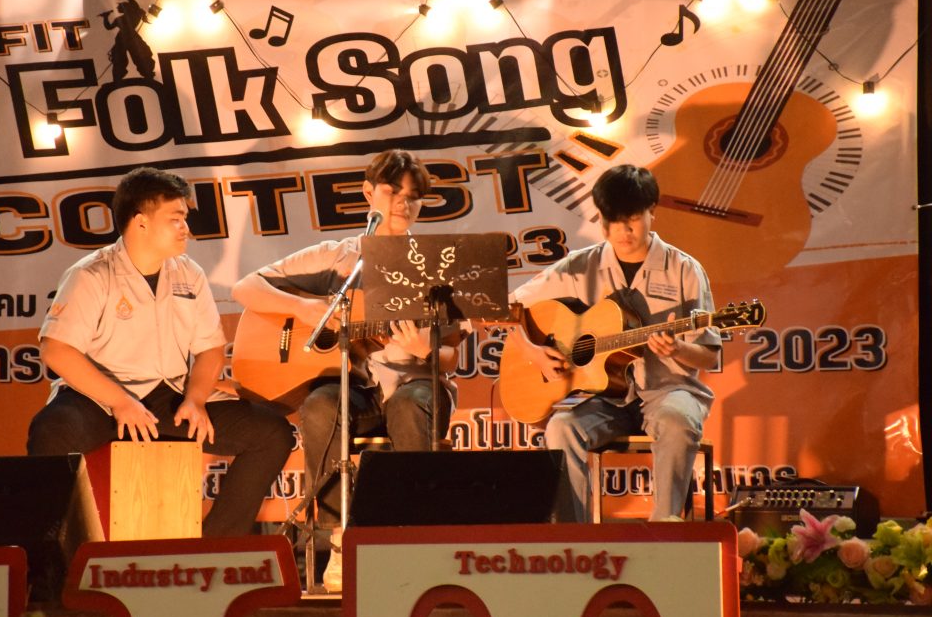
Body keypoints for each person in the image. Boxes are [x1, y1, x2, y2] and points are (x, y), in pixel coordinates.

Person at [232, 149, 462, 591]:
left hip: (417, 385)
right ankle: (338, 538)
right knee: (321, 406)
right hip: (356, 389)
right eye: (393, 191)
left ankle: (414, 537)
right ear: (368, 193)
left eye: (414, 196)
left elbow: (451, 355)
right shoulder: (337, 258)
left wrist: (426, 350)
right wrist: (306, 308)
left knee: (410, 406)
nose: (403, 203)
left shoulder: (438, 264)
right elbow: (246, 288)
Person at [27, 167, 294, 537]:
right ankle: (50, 558)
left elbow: (210, 349)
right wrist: (120, 401)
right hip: (99, 399)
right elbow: (56, 350)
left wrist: (196, 399)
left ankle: (216, 546)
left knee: (272, 433)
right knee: (52, 430)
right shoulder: (92, 274)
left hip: (167, 396)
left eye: (185, 218)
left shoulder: (189, 273)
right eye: (176, 218)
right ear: (141, 223)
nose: (186, 228)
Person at [508, 164, 721, 522]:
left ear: (652, 211)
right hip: (601, 398)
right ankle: (573, 540)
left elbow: (709, 356)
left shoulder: (684, 269)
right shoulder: (578, 266)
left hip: (668, 391)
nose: (624, 231)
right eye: (613, 221)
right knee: (561, 427)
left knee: (676, 420)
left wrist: (678, 349)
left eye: (633, 218)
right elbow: (509, 309)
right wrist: (536, 354)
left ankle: (665, 532)